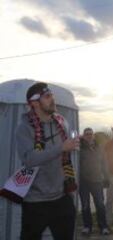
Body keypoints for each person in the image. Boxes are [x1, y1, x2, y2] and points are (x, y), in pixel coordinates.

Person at [16, 82, 78, 240]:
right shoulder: (24, 128)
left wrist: (75, 145)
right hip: (35, 202)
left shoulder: (61, 122)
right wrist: (61, 148)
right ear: (34, 103)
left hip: (61, 197)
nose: (52, 99)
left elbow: (65, 153)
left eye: (52, 96)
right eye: (47, 96)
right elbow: (29, 159)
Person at [79, 127, 110, 235]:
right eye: (86, 134)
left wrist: (106, 177)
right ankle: (87, 226)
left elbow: (104, 163)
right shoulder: (79, 148)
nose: (89, 135)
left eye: (90, 134)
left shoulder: (100, 148)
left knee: (100, 205)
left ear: (93, 135)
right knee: (85, 205)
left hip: (97, 181)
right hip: (83, 182)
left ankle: (103, 226)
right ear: (83, 136)